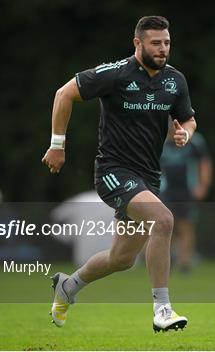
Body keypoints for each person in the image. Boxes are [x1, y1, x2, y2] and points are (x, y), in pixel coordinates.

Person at [41, 16, 197, 332]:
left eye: (166, 42)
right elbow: (64, 94)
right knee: (163, 220)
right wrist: (58, 144)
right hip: (114, 172)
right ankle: (162, 309)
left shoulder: (175, 81)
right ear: (137, 43)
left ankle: (68, 287)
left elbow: (188, 120)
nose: (163, 48)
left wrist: (185, 134)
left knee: (121, 259)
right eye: (156, 42)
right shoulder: (115, 74)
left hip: (148, 178)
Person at [160, 131, 212, 273]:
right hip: (165, 192)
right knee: (166, 227)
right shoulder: (159, 139)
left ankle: (185, 263)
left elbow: (205, 162)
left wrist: (203, 185)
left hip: (188, 191)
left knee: (186, 226)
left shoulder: (194, 140)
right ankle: (167, 262)